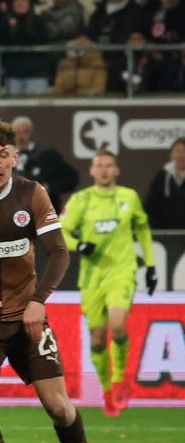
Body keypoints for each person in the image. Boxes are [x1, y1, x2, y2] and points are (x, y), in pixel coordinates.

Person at [0, 121, 114, 443]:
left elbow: (60, 252)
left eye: (3, 154)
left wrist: (39, 300)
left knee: (59, 407)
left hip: (28, 319)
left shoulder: (32, 193)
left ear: (16, 156)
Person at [61, 151, 157, 416]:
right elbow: (62, 229)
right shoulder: (82, 200)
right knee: (99, 337)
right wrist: (79, 244)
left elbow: (144, 229)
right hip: (92, 278)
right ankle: (106, 389)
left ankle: (118, 383)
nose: (104, 170)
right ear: (91, 171)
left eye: (109, 166)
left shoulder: (129, 197)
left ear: (117, 170)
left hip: (122, 272)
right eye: (99, 166)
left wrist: (150, 265)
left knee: (117, 326)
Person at [10, 116, 79, 212]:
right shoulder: (5, 155)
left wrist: (49, 187)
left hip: (43, 210)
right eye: (17, 132)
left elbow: (71, 177)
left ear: (31, 132)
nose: (21, 136)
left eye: (25, 132)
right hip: (13, 209)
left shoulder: (46, 154)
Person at [0, 0, 52, 96]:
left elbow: (39, 40)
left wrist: (17, 29)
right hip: (13, 72)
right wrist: (4, 19)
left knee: (35, 107)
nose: (20, 2)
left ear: (29, 3)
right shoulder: (5, 22)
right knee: (15, 108)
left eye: (24, 0)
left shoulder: (39, 21)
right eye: (17, 0)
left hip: (36, 71)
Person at [144, 137, 185, 229]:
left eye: (184, 151)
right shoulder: (162, 177)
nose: (181, 155)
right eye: (177, 151)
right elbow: (151, 206)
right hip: (166, 235)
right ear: (171, 154)